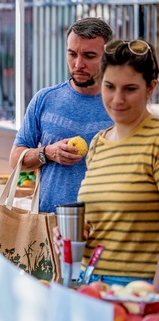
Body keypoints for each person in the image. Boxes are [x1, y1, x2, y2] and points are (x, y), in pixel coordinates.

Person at [56, 38, 159, 286]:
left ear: (150, 88)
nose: (117, 99)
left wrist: (153, 300)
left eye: (130, 89)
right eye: (109, 86)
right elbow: (101, 221)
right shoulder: (98, 143)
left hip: (137, 291)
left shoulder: (156, 139)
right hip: (90, 285)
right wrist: (73, 235)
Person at [9, 18, 114, 213]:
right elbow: (15, 161)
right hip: (49, 226)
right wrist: (47, 153)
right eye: (72, 54)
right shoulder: (45, 99)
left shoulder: (120, 106)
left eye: (89, 56)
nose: (78, 64)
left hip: (105, 228)